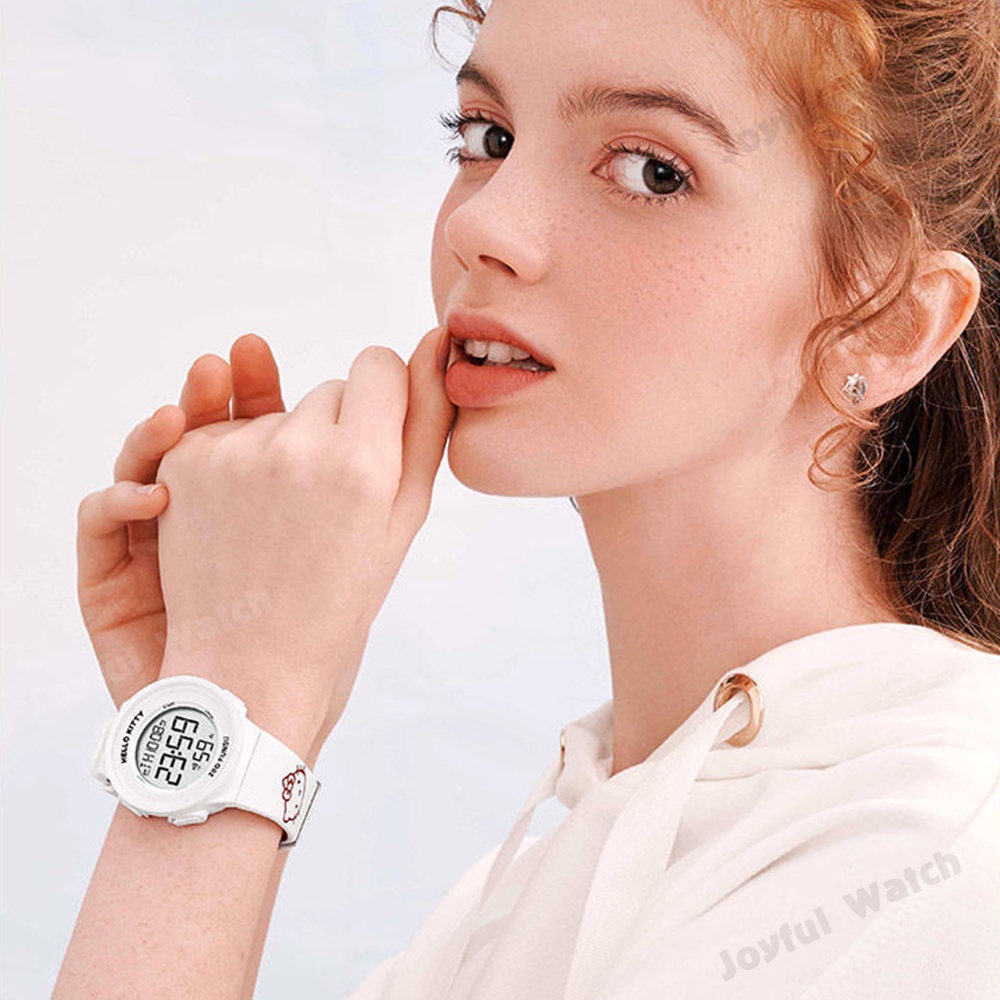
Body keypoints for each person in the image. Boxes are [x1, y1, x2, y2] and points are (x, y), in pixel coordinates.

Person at [55, 0, 1000, 997]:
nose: (482, 223)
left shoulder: (932, 842)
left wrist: (232, 707)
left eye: (651, 170)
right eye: (487, 138)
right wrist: (231, 707)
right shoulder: (517, 901)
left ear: (889, 324)